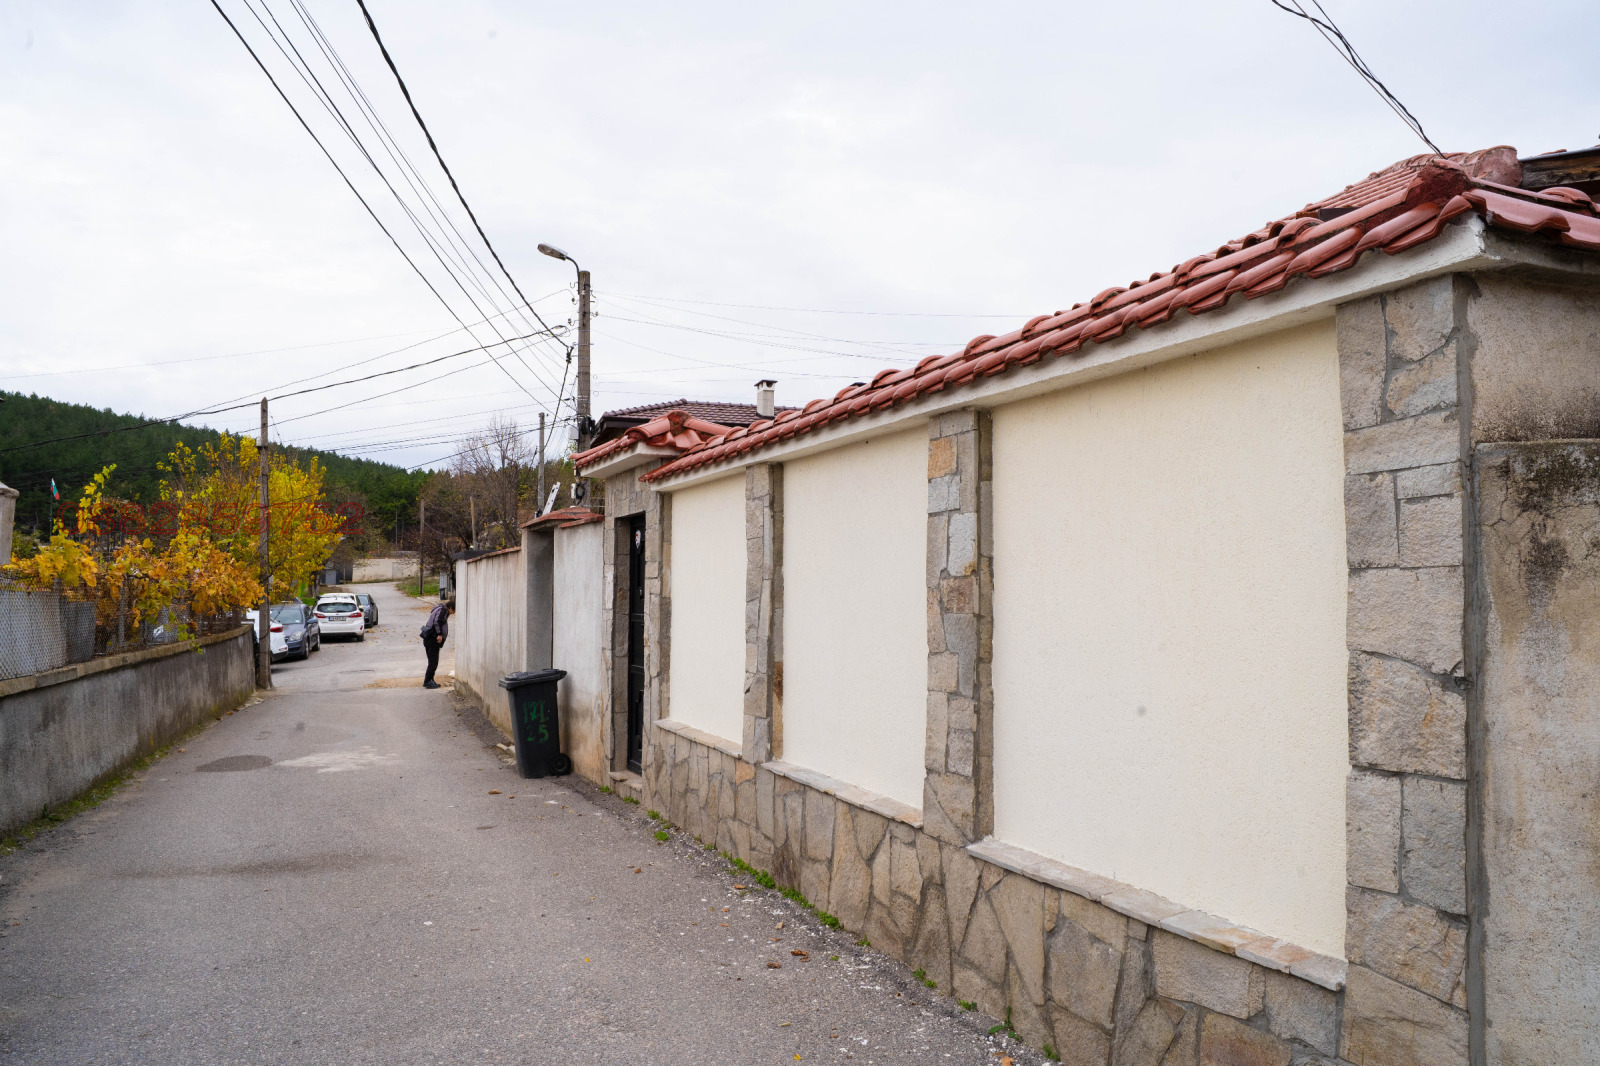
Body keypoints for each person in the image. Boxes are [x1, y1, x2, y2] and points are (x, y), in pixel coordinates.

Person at [420, 598, 455, 689]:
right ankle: (428, 681)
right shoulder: (443, 610)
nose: (453, 613)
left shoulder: (440, 609)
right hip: (432, 638)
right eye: (453, 611)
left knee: (432, 661)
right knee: (433, 661)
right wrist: (439, 634)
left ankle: (430, 680)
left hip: (429, 638)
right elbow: (437, 621)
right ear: (450, 608)